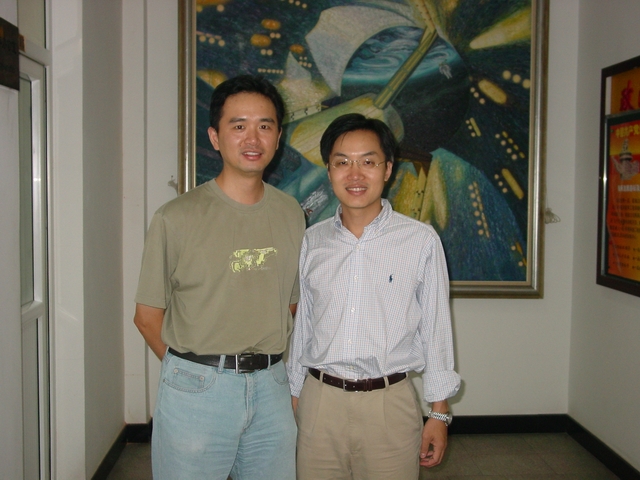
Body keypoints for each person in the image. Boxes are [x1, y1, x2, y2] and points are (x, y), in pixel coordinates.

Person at [134, 75, 305, 480]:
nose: (253, 138)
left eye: (264, 126)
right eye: (238, 125)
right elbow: (146, 316)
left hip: (271, 388)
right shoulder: (175, 217)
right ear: (215, 136)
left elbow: (290, 303)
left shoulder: (291, 213)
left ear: (278, 137)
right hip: (197, 390)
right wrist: (194, 374)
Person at [287, 113, 461, 479]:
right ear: (328, 170)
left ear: (388, 169)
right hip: (320, 402)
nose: (355, 174)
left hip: (389, 404)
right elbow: (304, 325)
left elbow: (436, 329)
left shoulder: (420, 240)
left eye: (368, 162)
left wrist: (439, 412)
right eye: (342, 162)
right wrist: (293, 392)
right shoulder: (312, 241)